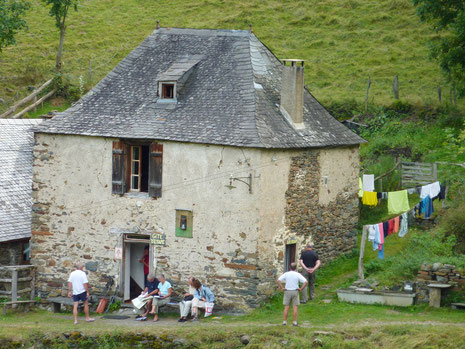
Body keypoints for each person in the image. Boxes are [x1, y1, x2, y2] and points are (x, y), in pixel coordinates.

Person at [277, 262, 307, 327]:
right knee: (295, 307)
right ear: (295, 268)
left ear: (290, 267)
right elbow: (305, 282)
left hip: (287, 291)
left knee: (286, 307)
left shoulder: (286, 274)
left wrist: (282, 287)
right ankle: (295, 322)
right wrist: (301, 289)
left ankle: (284, 322)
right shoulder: (297, 274)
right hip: (295, 291)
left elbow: (278, 280)